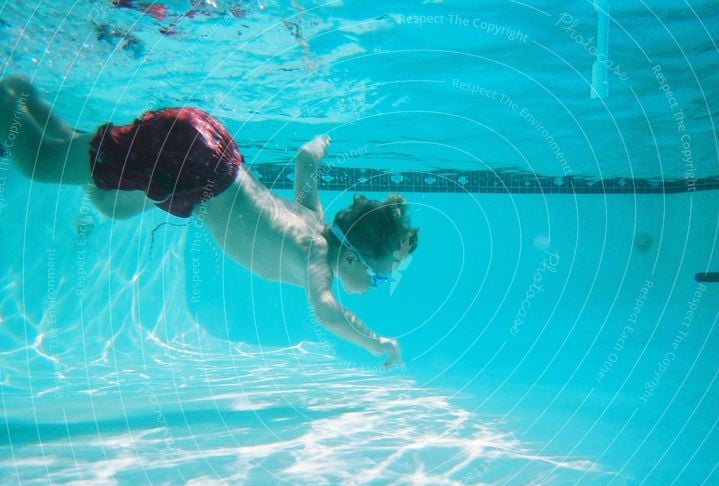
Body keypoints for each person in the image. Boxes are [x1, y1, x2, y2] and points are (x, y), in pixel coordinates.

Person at [0, 75, 417, 368]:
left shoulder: (315, 223)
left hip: (205, 158)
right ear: (352, 259)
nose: (379, 287)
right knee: (39, 164)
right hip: (192, 165)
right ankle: (5, 93)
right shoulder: (315, 255)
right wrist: (374, 341)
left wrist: (323, 141)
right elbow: (327, 311)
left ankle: (23, 95)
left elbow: (306, 161)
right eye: (379, 278)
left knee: (112, 204)